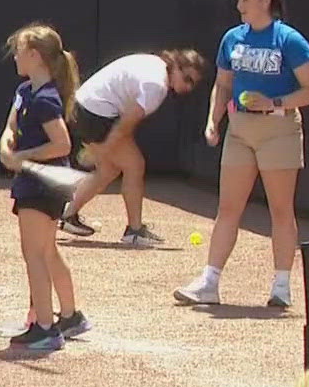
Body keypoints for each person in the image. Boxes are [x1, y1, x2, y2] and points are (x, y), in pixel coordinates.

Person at [175, 0, 309, 309]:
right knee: (228, 208)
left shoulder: (289, 40)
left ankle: (281, 286)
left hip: (279, 129)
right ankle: (209, 281)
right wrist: (213, 120)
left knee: (281, 209)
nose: (239, 6)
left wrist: (275, 102)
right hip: (240, 129)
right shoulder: (232, 38)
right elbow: (224, 84)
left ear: (265, 1)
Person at [0, 24, 93, 352]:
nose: (15, 57)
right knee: (47, 251)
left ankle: (45, 327)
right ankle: (70, 316)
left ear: (35, 56)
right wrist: (7, 145)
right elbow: (12, 126)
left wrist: (22, 156)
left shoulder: (46, 98)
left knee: (34, 254)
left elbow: (61, 144)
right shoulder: (26, 91)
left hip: (43, 183)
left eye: (20, 51)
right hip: (31, 180)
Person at [59, 48, 208, 246]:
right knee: (135, 165)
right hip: (94, 113)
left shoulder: (155, 65)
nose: (189, 86)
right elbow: (125, 124)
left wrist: (103, 150)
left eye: (193, 83)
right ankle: (134, 231)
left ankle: (68, 214)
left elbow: (124, 121)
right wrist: (103, 148)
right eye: (187, 78)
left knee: (109, 169)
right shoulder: (157, 86)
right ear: (176, 68)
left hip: (83, 106)